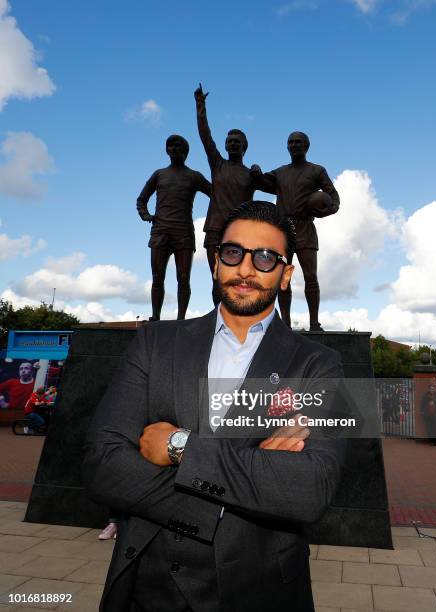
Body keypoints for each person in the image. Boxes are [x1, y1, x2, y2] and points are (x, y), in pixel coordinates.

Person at [83, 201, 347, 612]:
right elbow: (102, 463)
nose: (245, 269)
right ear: (215, 262)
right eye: (233, 253)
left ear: (285, 275)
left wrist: (180, 447)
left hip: (260, 589)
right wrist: (246, 482)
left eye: (264, 258)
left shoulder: (318, 363)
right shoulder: (154, 344)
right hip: (147, 585)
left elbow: (311, 488)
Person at [251, 131, 340, 330]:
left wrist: (326, 211)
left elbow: (333, 197)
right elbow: (262, 182)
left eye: (298, 142)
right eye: (290, 142)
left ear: (306, 146)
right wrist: (257, 172)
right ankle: (285, 323)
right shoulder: (281, 172)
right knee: (282, 277)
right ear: (287, 147)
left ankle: (314, 322)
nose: (294, 145)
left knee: (311, 276)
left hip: (305, 227)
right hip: (283, 230)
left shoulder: (317, 170)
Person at [194, 83, 257, 306]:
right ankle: (217, 316)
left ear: (244, 147)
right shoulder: (218, 164)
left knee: (238, 278)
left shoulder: (252, 175)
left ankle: (236, 315)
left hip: (240, 233)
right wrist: (200, 105)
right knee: (217, 277)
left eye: (236, 142)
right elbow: (205, 136)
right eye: (229, 141)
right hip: (215, 229)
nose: (232, 144)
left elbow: (280, 186)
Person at [137, 134, 211, 321]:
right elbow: (142, 199)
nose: (174, 149)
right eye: (171, 146)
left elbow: (216, 194)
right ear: (167, 150)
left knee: (184, 277)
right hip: (160, 230)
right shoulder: (159, 174)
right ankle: (155, 316)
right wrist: (146, 215)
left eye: (178, 146)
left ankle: (181, 318)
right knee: (157, 276)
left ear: (186, 152)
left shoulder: (194, 176)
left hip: (183, 232)